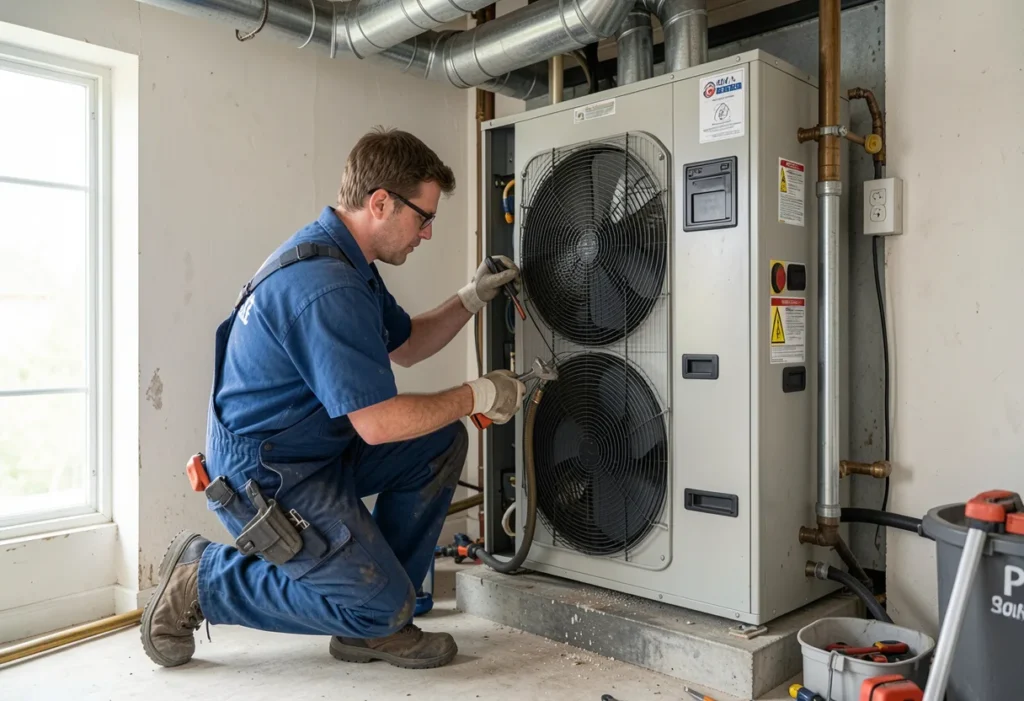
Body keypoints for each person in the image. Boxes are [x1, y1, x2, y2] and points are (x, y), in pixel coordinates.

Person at [140, 127, 525, 670]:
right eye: (425, 216)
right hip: (268, 476)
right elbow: (377, 425)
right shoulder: (327, 286)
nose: (429, 233)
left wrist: (471, 297)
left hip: (315, 449)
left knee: (438, 441)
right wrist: (477, 393)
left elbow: (409, 345)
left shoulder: (346, 261)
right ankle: (205, 579)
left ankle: (381, 611)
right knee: (377, 603)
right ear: (381, 203)